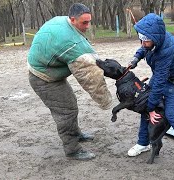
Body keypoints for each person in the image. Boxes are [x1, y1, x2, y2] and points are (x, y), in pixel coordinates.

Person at [27, 3, 112, 161]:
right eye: (84, 23)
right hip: (43, 78)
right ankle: (72, 150)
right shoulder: (70, 43)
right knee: (66, 111)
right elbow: (90, 78)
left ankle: (76, 133)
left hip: (46, 70)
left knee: (70, 102)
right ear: (72, 19)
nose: (88, 26)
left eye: (89, 21)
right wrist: (106, 102)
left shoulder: (62, 21)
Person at [127, 13, 174, 177]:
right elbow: (144, 47)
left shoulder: (166, 50)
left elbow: (160, 84)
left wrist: (151, 107)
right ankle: (143, 143)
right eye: (140, 38)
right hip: (160, 76)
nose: (142, 43)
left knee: (172, 115)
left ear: (155, 37)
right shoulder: (152, 40)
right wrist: (136, 58)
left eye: (146, 39)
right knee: (144, 107)